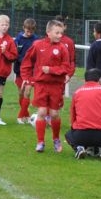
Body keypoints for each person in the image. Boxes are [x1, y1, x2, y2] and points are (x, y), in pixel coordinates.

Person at [21, 19, 74, 153]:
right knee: (42, 112)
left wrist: (51, 70)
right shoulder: (38, 45)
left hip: (56, 86)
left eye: (61, 33)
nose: (59, 36)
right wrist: (27, 78)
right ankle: (40, 142)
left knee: (54, 113)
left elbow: (66, 67)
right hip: (41, 85)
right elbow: (27, 61)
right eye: (57, 33)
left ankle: (56, 139)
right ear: (48, 32)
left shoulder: (62, 48)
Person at [65, 69, 101, 161]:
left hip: (82, 136)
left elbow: (73, 115)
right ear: (100, 80)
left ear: (85, 81)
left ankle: (79, 148)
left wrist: (74, 128)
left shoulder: (77, 92)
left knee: (68, 134)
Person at [14, 18, 40, 124]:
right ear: (23, 28)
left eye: (31, 31)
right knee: (21, 93)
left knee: (27, 92)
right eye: (27, 30)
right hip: (19, 70)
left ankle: (20, 116)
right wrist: (23, 61)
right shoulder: (18, 40)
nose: (29, 33)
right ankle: (26, 114)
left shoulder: (36, 40)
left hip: (31, 71)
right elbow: (15, 54)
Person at [55, 15, 76, 96]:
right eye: (56, 26)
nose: (59, 28)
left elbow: (72, 60)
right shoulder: (47, 40)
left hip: (61, 76)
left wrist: (69, 74)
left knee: (57, 100)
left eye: (61, 26)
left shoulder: (69, 42)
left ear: (65, 27)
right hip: (48, 77)